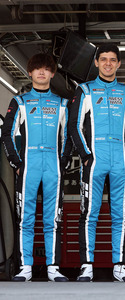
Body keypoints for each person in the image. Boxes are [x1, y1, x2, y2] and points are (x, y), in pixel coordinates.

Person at [69, 43, 125, 282]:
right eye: (103, 59)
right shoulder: (85, 90)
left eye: (113, 59)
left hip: (120, 161)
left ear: (119, 64)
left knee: (120, 214)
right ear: (97, 62)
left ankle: (119, 266)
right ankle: (86, 266)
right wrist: (87, 155)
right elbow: (74, 125)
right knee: (90, 212)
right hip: (95, 160)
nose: (108, 63)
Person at [1, 53, 72, 282]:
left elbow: (69, 136)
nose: (42, 73)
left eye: (46, 69)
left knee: (53, 219)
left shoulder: (62, 104)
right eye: (37, 69)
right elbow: (7, 133)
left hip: (53, 165)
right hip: (29, 165)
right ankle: (26, 268)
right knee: (26, 218)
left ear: (52, 73)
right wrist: (16, 163)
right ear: (29, 72)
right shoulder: (20, 101)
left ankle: (53, 268)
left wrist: (62, 161)